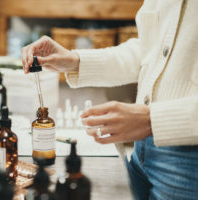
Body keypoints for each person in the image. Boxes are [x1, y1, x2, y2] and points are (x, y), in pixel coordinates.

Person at [21, 0, 198, 199]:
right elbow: (151, 49)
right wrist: (75, 60)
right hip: (141, 148)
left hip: (188, 159)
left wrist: (153, 119)